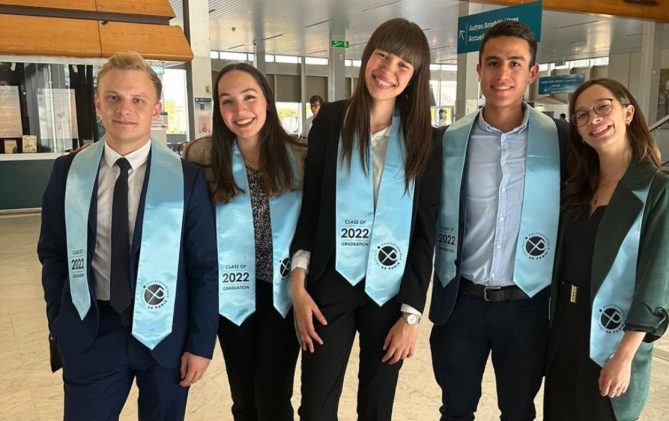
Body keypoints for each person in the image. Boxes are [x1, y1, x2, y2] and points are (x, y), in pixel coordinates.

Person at [37, 51, 218, 420]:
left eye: (138, 100)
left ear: (156, 109)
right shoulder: (69, 173)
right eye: (114, 97)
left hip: (166, 334)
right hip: (91, 330)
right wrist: (59, 318)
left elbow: (203, 266)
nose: (124, 109)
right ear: (98, 104)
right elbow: (53, 253)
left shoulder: (185, 179)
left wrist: (200, 344)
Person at [289, 18, 443, 421]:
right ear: (367, 55)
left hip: (388, 292)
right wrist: (298, 286)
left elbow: (425, 231)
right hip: (330, 282)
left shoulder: (424, 139)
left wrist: (412, 315)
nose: (388, 70)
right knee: (315, 407)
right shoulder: (331, 121)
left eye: (403, 65)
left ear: (415, 76)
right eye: (383, 56)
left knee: (377, 408)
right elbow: (311, 207)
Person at [429, 20, 568, 420]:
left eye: (514, 63)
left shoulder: (561, 141)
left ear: (532, 73)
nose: (502, 74)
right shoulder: (449, 141)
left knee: (519, 411)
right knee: (455, 409)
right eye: (492, 62)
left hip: (528, 305)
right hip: (461, 303)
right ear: (479, 69)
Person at [544, 78, 669, 421]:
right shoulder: (578, 186)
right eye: (581, 115)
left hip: (612, 338)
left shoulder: (658, 190)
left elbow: (656, 283)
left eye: (603, 107)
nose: (593, 119)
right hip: (565, 332)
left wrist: (624, 356)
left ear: (628, 113)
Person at [183, 63, 305, 421]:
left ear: (266, 100)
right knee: (244, 398)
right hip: (231, 291)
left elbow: (314, 227)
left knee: (273, 397)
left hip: (283, 292)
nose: (240, 111)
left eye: (249, 97)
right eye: (228, 101)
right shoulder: (202, 159)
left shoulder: (302, 156)